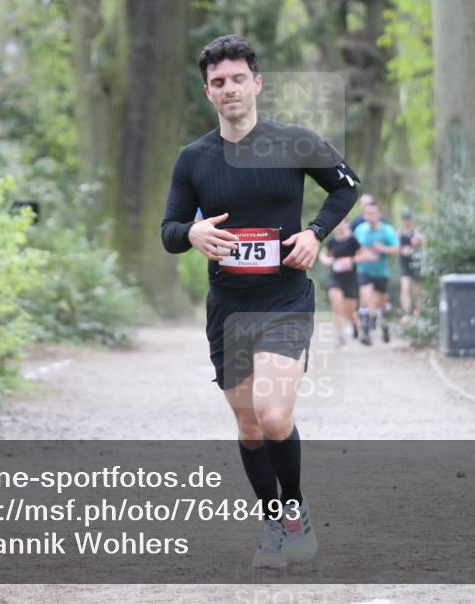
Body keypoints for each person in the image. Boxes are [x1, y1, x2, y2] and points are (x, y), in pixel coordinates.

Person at [161, 35, 359, 568]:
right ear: (208, 91)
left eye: (238, 79)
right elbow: (170, 229)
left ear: (257, 83)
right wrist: (191, 235)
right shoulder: (194, 159)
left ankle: (295, 511)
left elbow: (347, 187)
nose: (230, 89)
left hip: (285, 299)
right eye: (219, 82)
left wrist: (316, 232)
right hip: (228, 309)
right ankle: (272, 518)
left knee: (273, 416)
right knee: (249, 427)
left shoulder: (294, 141)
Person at [353, 202, 399, 345]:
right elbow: (353, 248)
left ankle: (385, 328)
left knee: (383, 303)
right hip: (364, 270)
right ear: (364, 215)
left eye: (373, 213)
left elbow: (396, 249)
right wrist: (362, 255)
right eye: (367, 213)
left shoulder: (387, 230)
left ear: (378, 215)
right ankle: (366, 333)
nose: (370, 216)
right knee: (365, 299)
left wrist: (383, 249)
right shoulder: (360, 230)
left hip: (381, 272)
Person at [318, 218, 363, 346]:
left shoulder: (353, 240)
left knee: (349, 311)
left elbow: (364, 255)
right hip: (336, 277)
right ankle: (340, 336)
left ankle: (355, 323)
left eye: (342, 223)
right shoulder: (332, 242)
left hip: (350, 279)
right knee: (336, 304)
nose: (339, 226)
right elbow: (323, 254)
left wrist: (351, 260)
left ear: (346, 224)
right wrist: (327, 260)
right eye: (337, 223)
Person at [397, 211, 425, 323]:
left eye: (408, 219)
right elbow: (395, 247)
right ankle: (406, 313)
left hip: (416, 264)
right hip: (404, 264)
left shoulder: (417, 232)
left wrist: (419, 240)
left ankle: (419, 312)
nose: (407, 222)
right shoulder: (399, 233)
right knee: (404, 288)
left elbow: (424, 244)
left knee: (418, 290)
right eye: (405, 220)